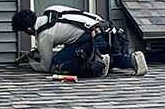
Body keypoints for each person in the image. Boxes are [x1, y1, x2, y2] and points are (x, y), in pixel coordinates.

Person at [11, 4, 149, 78]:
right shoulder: (52, 10)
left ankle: (99, 62)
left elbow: (45, 67)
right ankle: (132, 60)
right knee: (75, 50)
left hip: (94, 40)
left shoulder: (44, 36)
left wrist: (31, 62)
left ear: (28, 28)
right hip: (109, 31)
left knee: (57, 64)